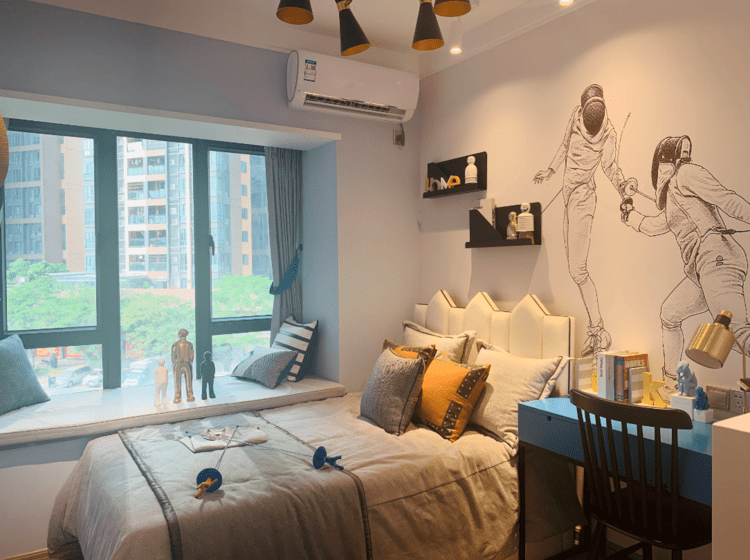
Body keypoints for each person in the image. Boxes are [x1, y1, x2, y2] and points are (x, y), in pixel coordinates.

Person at [624, 135, 750, 388]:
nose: (686, 158)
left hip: (717, 257)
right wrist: (629, 215)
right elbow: (654, 225)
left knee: (737, 333)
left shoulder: (686, 174)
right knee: (669, 314)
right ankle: (671, 383)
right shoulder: (674, 200)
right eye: (682, 154)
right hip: (701, 270)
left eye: (686, 154)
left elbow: (725, 198)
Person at [534, 84, 637, 357]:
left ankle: (598, 331)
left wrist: (624, 188)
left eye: (596, 127)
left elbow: (610, 167)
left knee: (578, 270)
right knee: (574, 269)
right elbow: (565, 146)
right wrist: (551, 170)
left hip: (583, 197)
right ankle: (598, 330)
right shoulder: (575, 115)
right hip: (568, 194)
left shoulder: (609, 133)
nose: (592, 132)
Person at [171, 328, 195, 403]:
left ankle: (178, 396)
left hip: (179, 364)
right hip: (187, 363)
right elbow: (192, 356)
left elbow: (173, 356)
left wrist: (175, 362)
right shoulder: (190, 344)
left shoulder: (175, 344)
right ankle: (189, 395)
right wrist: (189, 361)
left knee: (177, 381)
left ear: (179, 335)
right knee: (188, 380)